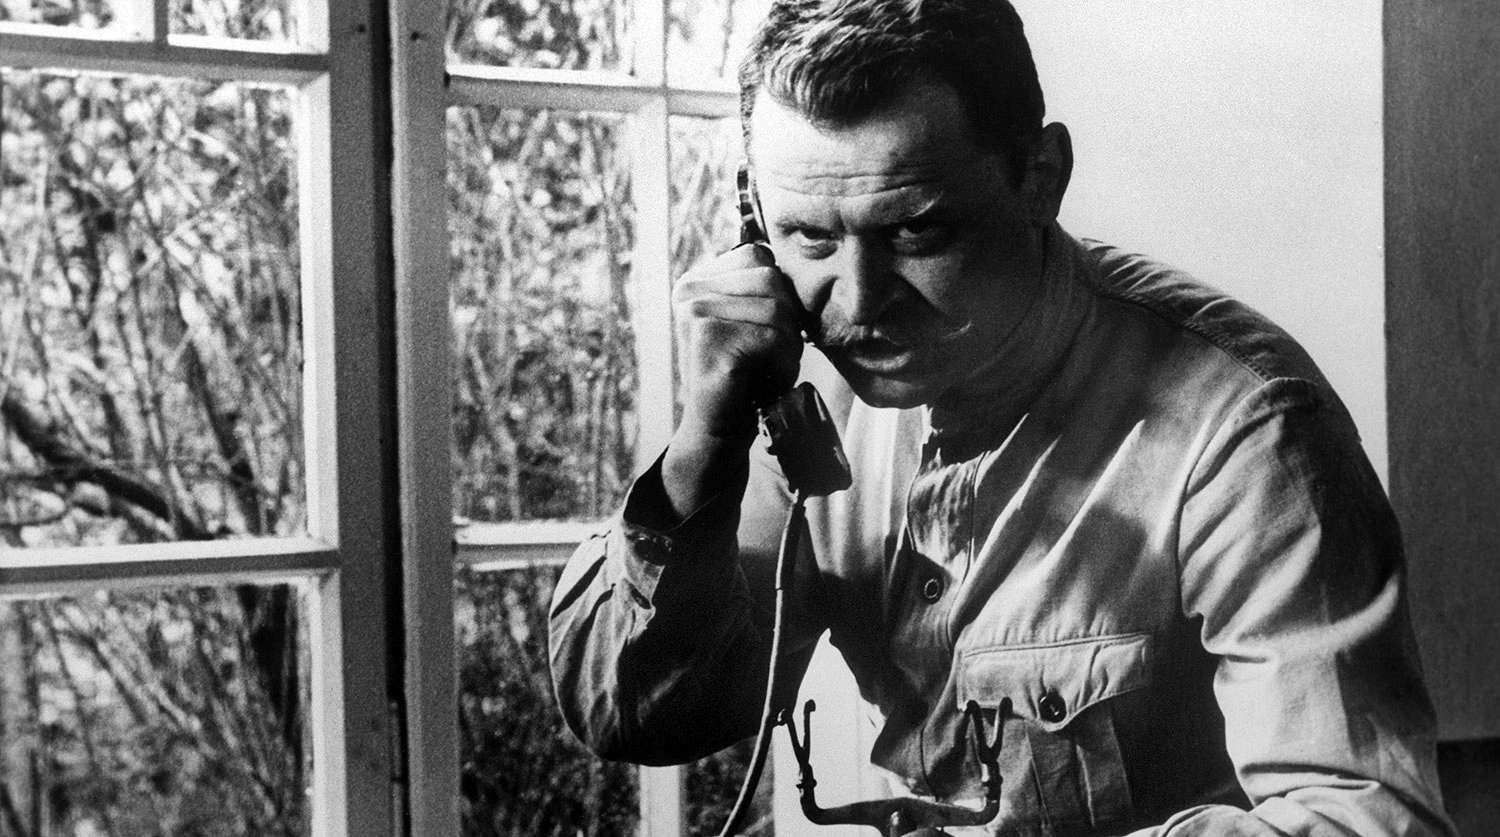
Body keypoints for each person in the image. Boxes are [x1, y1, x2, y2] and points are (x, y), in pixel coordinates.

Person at [548, 0, 1457, 834]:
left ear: (1039, 177)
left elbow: (1368, 822)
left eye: (917, 231)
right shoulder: (803, 391)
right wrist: (704, 447)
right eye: (810, 236)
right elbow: (636, 714)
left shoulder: (1246, 429)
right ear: (755, 217)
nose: (857, 305)